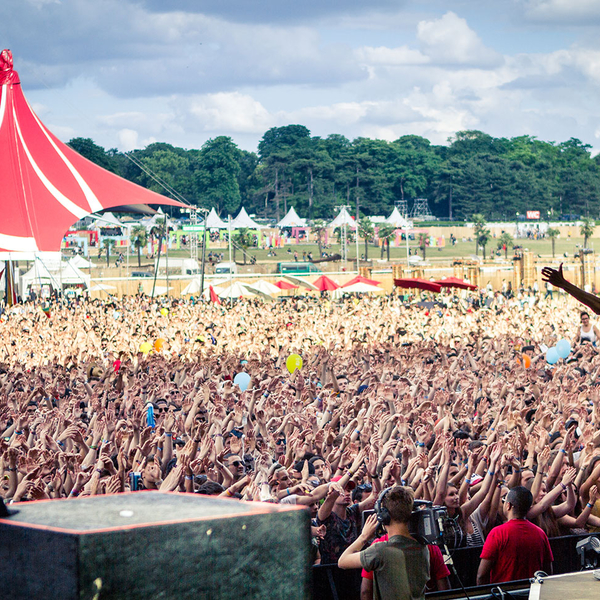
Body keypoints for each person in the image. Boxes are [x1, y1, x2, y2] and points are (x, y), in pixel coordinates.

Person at [339, 486, 430, 600]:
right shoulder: (423, 547)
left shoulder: (381, 550)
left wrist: (363, 537)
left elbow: (342, 561)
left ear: (384, 517)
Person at [476, 486, 553, 584]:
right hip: (532, 593)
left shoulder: (497, 533)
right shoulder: (540, 533)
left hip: (504, 594)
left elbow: (481, 575)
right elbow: (547, 571)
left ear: (508, 505)